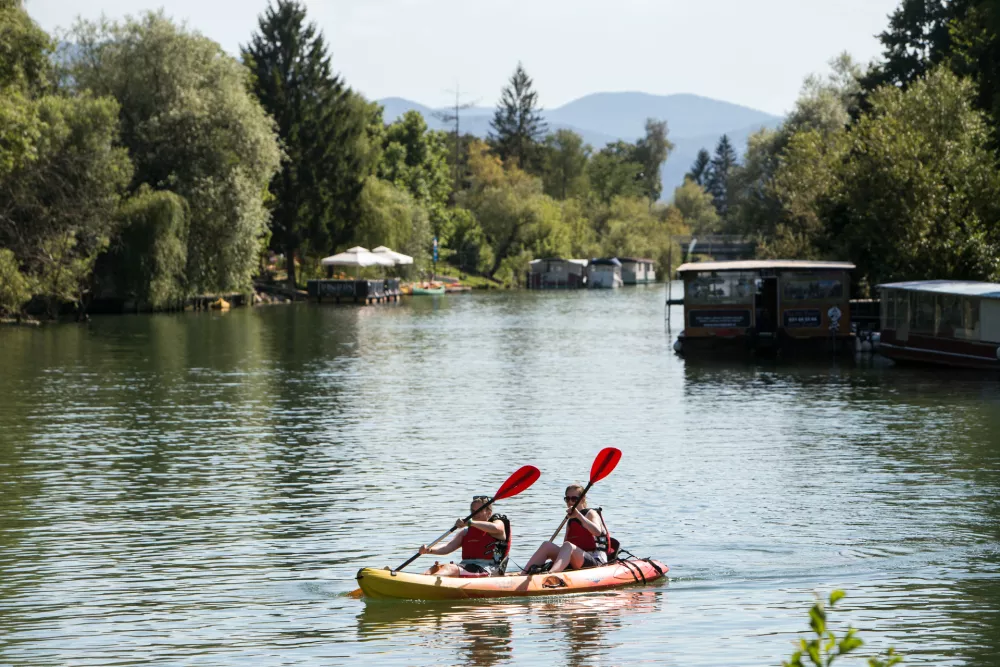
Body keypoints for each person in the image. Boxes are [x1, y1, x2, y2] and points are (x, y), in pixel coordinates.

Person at [520, 484, 609, 574]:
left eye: (574, 499)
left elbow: (597, 532)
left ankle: (551, 574)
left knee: (568, 545)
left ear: (583, 499)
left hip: (596, 561)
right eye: (567, 499)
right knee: (547, 545)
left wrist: (579, 516)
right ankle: (523, 574)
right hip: (576, 559)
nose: (570, 502)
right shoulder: (571, 520)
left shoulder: (591, 513)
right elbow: (565, 548)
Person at [419, 495, 509, 576]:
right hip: (467, 566)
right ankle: (423, 581)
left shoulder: (497, 524)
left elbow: (497, 528)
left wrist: (470, 523)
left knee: (451, 568)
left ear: (489, 513)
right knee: (434, 569)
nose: (475, 514)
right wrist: (429, 550)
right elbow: (448, 547)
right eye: (473, 511)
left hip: (488, 568)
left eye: (479, 511)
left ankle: (430, 583)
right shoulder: (465, 532)